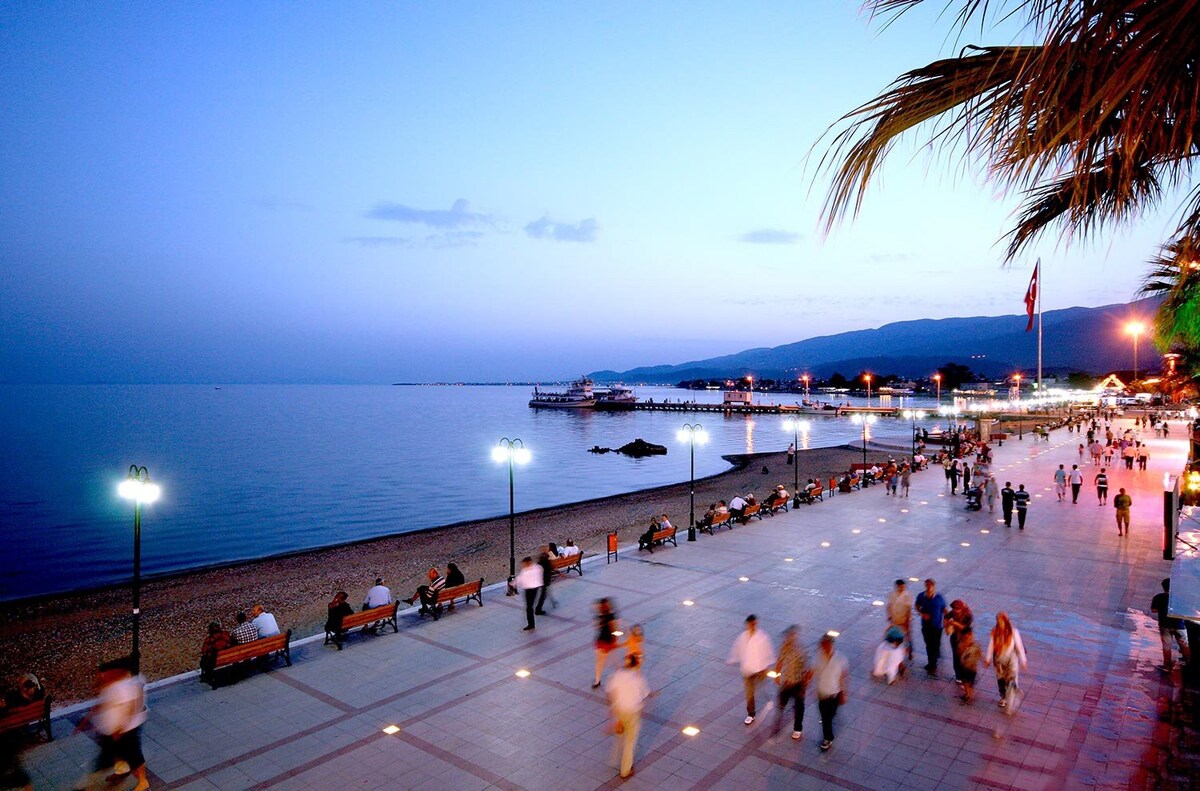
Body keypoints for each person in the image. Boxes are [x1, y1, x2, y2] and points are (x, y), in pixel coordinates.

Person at [76, 657, 149, 791]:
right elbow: (103, 703)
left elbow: (130, 709)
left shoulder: (124, 686)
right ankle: (119, 773)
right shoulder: (114, 685)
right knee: (112, 755)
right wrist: (86, 720)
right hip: (111, 729)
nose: (103, 677)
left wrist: (119, 730)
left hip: (124, 730)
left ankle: (143, 781)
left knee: (133, 756)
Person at [606, 653, 649, 779]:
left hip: (619, 711)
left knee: (620, 735)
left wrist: (612, 707)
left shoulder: (617, 675)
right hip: (632, 712)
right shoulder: (638, 678)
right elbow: (644, 695)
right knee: (629, 743)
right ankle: (625, 770)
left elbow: (610, 692)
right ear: (636, 664)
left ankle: (614, 758)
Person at [727, 614, 776, 725]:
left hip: (760, 669)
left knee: (760, 688)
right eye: (751, 624)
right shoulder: (742, 637)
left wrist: (767, 665)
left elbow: (767, 651)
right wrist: (732, 659)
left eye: (754, 624)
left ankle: (767, 700)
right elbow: (737, 649)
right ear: (747, 624)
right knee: (749, 693)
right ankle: (751, 714)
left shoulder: (762, 636)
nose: (753, 626)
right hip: (747, 670)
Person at [772, 626, 811, 739]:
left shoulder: (800, 649)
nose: (787, 639)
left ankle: (797, 728)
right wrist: (777, 675)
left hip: (798, 683)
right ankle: (777, 726)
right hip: (787, 682)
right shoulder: (784, 648)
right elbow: (780, 661)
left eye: (790, 637)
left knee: (799, 707)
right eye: (787, 637)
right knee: (781, 704)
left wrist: (805, 683)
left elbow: (806, 667)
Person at [984, 612, 1028, 710]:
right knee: (1001, 680)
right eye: (998, 621)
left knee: (1011, 679)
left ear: (1005, 621)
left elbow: (1019, 646)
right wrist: (988, 658)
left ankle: (1012, 698)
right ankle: (1004, 697)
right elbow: (991, 646)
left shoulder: (1013, 632)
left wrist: (1023, 660)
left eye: (1001, 621)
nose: (999, 623)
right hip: (999, 661)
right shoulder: (995, 632)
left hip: (1011, 660)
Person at [813, 634, 849, 751]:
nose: (823, 647)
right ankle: (827, 738)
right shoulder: (818, 657)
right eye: (822, 645)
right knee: (826, 717)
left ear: (831, 644)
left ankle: (828, 734)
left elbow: (844, 676)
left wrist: (844, 692)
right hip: (822, 693)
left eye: (825, 644)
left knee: (830, 715)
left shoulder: (840, 658)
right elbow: (811, 671)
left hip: (835, 693)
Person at [1151, 578, 1191, 670]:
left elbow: (1153, 610)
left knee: (1166, 646)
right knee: (1184, 644)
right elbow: (1186, 610)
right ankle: (1188, 662)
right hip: (1179, 625)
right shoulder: (1180, 598)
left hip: (1164, 625)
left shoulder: (1158, 597)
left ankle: (1167, 666)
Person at [915, 579, 947, 676]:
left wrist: (947, 620)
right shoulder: (921, 596)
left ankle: (933, 662)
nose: (928, 587)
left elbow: (944, 609)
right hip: (926, 626)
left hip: (937, 626)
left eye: (930, 585)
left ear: (934, 586)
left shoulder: (939, 598)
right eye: (927, 585)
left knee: (935, 644)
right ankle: (932, 661)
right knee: (929, 644)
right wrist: (921, 613)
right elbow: (916, 605)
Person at [945, 600, 974, 685]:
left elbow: (965, 628)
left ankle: (966, 676)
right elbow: (946, 617)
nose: (955, 611)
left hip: (965, 638)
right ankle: (958, 676)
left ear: (961, 609)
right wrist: (947, 626)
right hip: (955, 637)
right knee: (956, 657)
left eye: (957, 609)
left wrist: (955, 623)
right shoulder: (953, 612)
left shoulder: (968, 615)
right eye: (953, 609)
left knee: (964, 657)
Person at [593, 598, 619, 688]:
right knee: (612, 662)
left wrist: (615, 639)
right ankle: (597, 680)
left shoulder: (608, 616)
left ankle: (597, 680)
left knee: (602, 662)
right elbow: (614, 630)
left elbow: (614, 629)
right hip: (605, 642)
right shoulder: (606, 616)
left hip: (604, 641)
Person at [886, 579, 914, 660]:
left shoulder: (907, 595)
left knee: (907, 637)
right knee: (894, 635)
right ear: (897, 587)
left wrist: (907, 621)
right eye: (900, 587)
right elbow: (889, 606)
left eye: (903, 587)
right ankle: (895, 651)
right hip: (895, 620)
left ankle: (909, 652)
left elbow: (909, 609)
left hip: (904, 620)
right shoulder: (892, 595)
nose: (902, 588)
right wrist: (890, 616)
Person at [514, 556, 542, 632]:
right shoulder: (537, 567)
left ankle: (531, 624)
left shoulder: (525, 571)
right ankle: (531, 623)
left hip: (529, 590)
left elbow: (519, 580)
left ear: (526, 563)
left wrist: (513, 584)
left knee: (529, 607)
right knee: (530, 606)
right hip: (536, 588)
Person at [958, 628, 981, 704]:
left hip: (972, 668)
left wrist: (983, 660)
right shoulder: (962, 644)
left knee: (969, 682)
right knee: (964, 681)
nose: (968, 638)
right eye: (966, 637)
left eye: (970, 636)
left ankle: (968, 694)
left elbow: (979, 654)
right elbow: (959, 652)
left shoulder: (975, 646)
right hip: (964, 667)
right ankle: (967, 693)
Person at [536, 547, 556, 614]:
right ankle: (538, 609)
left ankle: (552, 602)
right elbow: (550, 569)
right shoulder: (546, 561)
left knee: (545, 593)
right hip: (546, 580)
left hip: (542, 580)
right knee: (543, 594)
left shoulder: (540, 562)